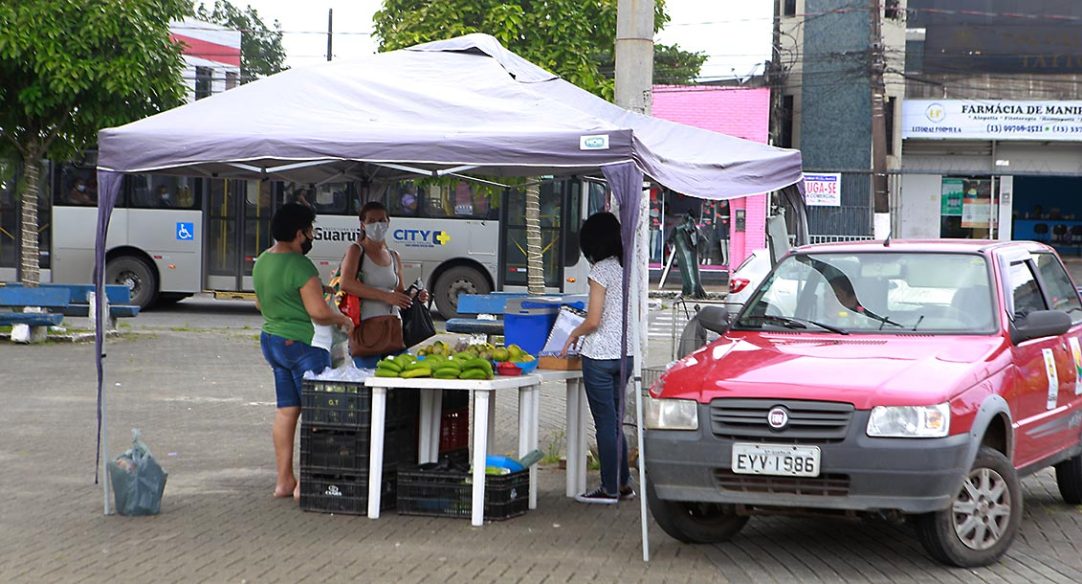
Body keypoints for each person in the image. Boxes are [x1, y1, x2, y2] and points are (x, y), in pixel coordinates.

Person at [253, 203, 354, 500]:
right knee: (317, 412)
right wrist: (343, 319)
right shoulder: (300, 265)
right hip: (304, 345)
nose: (311, 236)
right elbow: (319, 312)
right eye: (310, 230)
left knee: (286, 411)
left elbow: (259, 304)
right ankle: (307, 482)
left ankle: (284, 481)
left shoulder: (262, 261)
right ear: (300, 233)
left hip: (272, 341)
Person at [561, 211, 635, 504]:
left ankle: (609, 487)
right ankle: (624, 483)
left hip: (600, 357)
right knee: (616, 421)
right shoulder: (627, 268)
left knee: (605, 423)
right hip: (626, 355)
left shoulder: (600, 271)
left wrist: (572, 334)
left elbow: (593, 320)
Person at [339, 201, 428, 368]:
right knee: (369, 383)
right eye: (372, 221)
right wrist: (386, 296)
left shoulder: (394, 256)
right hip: (366, 330)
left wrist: (416, 296)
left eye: (381, 220)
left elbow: (400, 292)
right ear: (362, 224)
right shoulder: (356, 251)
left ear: (388, 222)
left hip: (393, 329)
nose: (377, 225)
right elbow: (346, 283)